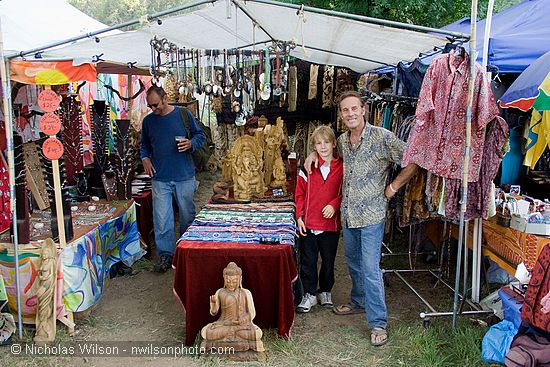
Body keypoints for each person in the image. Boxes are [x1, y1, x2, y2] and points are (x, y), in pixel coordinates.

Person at [305, 90, 418, 346]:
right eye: (345, 110)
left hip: (372, 215)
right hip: (348, 215)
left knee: (370, 268)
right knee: (353, 262)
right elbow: (329, 156)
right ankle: (358, 302)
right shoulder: (343, 141)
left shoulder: (382, 137)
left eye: (354, 108)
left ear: (364, 109)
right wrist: (312, 155)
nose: (350, 114)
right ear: (342, 115)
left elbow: (412, 160)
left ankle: (378, 322)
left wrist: (393, 187)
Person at [140, 85, 206, 273]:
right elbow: (144, 145)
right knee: (162, 219)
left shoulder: (183, 114)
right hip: (160, 177)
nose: (153, 109)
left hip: (184, 175)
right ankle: (166, 255)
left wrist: (191, 143)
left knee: (187, 215)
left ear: (165, 98)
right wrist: (145, 158)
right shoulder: (148, 122)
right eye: (150, 106)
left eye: (155, 105)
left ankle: (186, 250)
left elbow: (200, 136)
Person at [295, 125, 343, 313]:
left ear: (334, 143)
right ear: (314, 146)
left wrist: (334, 204)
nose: (323, 146)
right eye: (318, 143)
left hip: (330, 224)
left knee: (328, 260)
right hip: (308, 223)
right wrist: (299, 216)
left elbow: (346, 191)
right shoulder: (307, 167)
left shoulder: (342, 167)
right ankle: (309, 294)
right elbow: (299, 194)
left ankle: (325, 291)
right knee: (308, 260)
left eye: (326, 142)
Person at [200, 262, 265, 353]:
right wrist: (213, 307)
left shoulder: (246, 293)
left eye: (234, 282)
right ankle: (233, 337)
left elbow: (252, 313)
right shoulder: (220, 292)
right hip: (224, 324)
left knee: (258, 333)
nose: (231, 284)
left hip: (241, 326)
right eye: (228, 281)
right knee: (205, 331)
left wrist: (241, 321)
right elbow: (214, 312)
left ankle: (227, 339)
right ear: (224, 279)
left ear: (240, 280)